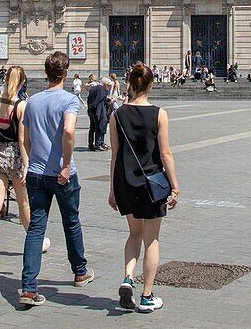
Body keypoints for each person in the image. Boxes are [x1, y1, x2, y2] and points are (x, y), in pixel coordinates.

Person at [19, 51, 94, 308]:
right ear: (65, 72)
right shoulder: (69, 100)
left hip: (36, 174)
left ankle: (28, 288)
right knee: (71, 222)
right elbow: (70, 130)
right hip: (62, 175)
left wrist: (30, 163)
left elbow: (26, 139)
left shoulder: (33, 101)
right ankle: (80, 272)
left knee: (36, 229)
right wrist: (64, 165)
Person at [108, 63, 180, 313]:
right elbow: (166, 153)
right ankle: (147, 296)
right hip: (152, 185)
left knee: (134, 234)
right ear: (151, 85)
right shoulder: (159, 113)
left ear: (129, 84)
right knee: (152, 240)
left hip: (126, 183)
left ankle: (128, 278)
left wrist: (112, 189)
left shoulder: (116, 115)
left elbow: (114, 156)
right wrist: (175, 187)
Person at [0, 66, 51, 269]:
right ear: (22, 82)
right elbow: (22, 139)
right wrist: (27, 165)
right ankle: (36, 240)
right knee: (23, 203)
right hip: (16, 157)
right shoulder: (21, 105)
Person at [87, 78, 110, 151]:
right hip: (98, 111)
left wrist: (90, 106)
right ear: (105, 84)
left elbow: (89, 98)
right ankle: (98, 143)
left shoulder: (93, 88)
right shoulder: (102, 89)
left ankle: (91, 144)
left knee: (92, 127)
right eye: (108, 85)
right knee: (99, 127)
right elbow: (99, 99)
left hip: (91, 110)